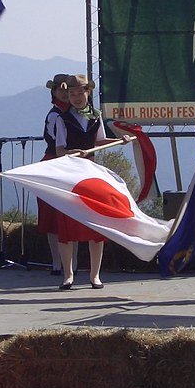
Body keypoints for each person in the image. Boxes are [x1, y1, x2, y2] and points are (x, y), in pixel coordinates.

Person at [53, 74, 128, 290]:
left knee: (96, 224)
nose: (76, 98)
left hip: (90, 173)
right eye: (72, 94)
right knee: (67, 225)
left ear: (88, 93)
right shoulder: (62, 119)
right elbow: (59, 151)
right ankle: (68, 275)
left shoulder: (96, 116)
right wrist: (73, 152)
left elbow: (99, 141)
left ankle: (95, 275)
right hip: (69, 174)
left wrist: (119, 140)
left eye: (80, 93)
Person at [39, 73, 71, 275]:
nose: (65, 93)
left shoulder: (79, 114)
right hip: (54, 163)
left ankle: (72, 264)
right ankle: (56, 263)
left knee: (71, 215)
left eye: (69, 91)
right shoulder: (54, 116)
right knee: (52, 216)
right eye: (61, 90)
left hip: (72, 163)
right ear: (54, 92)